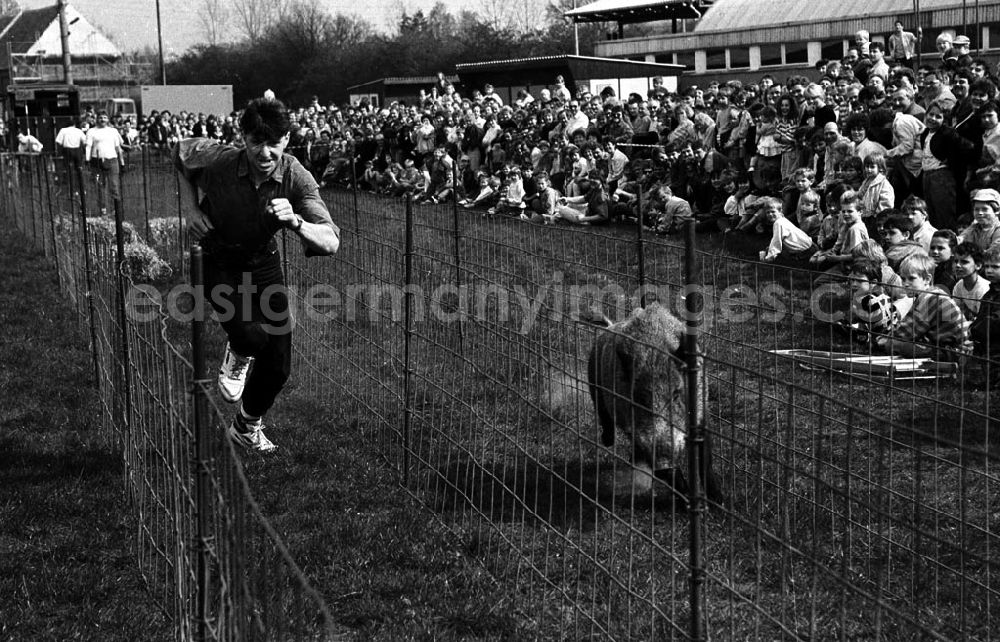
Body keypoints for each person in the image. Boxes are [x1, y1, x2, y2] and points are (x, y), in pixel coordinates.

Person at [174, 96, 340, 452]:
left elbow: (330, 242)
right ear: (243, 138)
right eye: (256, 143)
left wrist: (296, 222)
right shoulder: (220, 159)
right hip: (215, 258)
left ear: (287, 138)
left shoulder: (295, 175)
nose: (265, 153)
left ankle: (246, 427)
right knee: (251, 337)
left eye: (274, 143)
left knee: (278, 364)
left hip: (263, 263)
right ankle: (238, 353)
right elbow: (180, 153)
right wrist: (189, 208)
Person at [878, 254, 971, 359]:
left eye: (911, 279)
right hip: (946, 346)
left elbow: (906, 332)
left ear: (927, 279)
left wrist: (882, 339)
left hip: (955, 351)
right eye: (903, 279)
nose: (906, 284)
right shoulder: (933, 293)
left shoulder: (930, 299)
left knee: (894, 344)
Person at [85, 110, 124, 215]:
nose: (102, 120)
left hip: (112, 160)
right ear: (97, 119)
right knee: (100, 186)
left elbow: (118, 147)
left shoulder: (113, 131)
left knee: (114, 185)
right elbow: (88, 147)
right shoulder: (91, 131)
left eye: (105, 117)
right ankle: (103, 209)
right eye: (100, 117)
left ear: (108, 119)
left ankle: (116, 209)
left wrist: (122, 162)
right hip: (96, 161)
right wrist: (87, 160)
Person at [757, 196, 816, 263]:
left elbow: (776, 242)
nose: (770, 214)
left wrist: (768, 258)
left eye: (773, 212)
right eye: (768, 212)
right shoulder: (782, 220)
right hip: (810, 247)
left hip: (806, 251)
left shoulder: (778, 223)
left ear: (780, 211)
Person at [952, 242, 990, 320]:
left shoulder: (983, 288)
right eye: (956, 261)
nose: (958, 265)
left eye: (964, 262)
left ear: (978, 265)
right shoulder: (959, 286)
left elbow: (982, 320)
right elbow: (956, 312)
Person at [959, 188, 1000, 252]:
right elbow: (960, 239)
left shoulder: (997, 230)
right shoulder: (974, 228)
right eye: (976, 209)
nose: (980, 213)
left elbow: (993, 254)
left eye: (985, 209)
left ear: (996, 211)